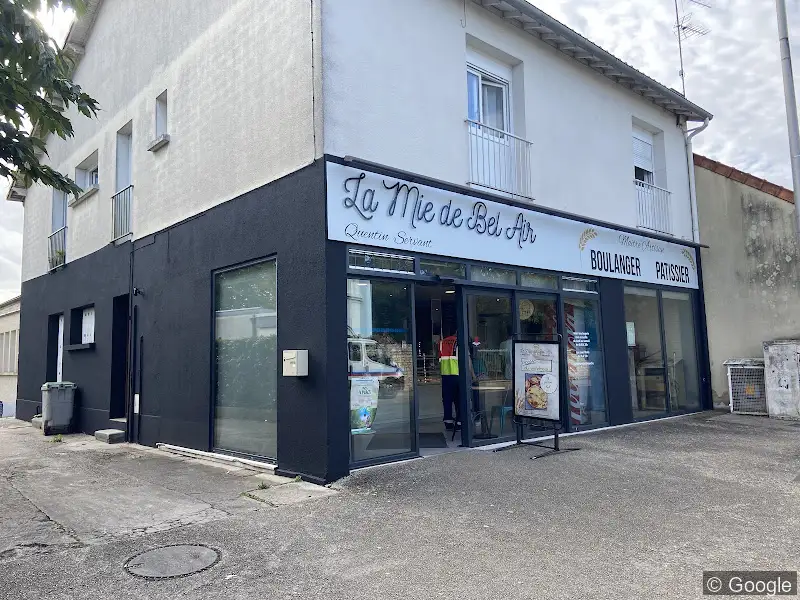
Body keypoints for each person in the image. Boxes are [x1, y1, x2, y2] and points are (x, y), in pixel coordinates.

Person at [438, 330, 460, 430]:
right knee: (459, 399)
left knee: (447, 400)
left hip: (445, 375)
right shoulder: (459, 342)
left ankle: (448, 422)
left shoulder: (442, 343)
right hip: (457, 375)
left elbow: (439, 359)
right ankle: (460, 422)